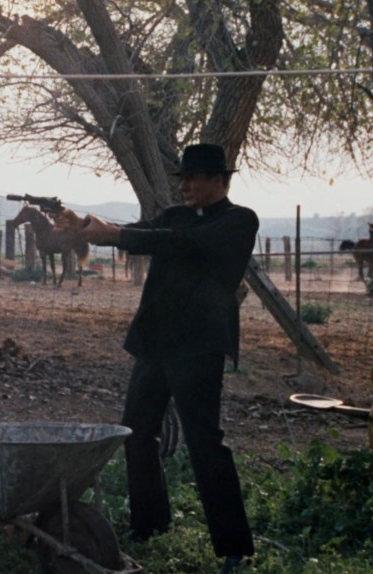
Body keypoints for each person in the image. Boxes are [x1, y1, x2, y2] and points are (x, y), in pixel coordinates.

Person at [77, 143, 257, 574]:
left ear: (219, 180)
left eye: (193, 179)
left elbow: (183, 244)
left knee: (204, 443)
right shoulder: (174, 216)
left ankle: (234, 546)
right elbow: (145, 233)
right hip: (155, 343)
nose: (185, 187)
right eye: (182, 180)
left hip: (198, 347)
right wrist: (82, 225)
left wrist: (115, 234)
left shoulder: (239, 221)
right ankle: (150, 524)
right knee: (137, 435)